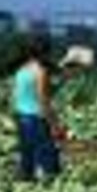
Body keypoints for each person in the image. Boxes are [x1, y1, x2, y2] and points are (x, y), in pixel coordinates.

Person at [12, 35, 65, 181]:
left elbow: (19, 96)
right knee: (49, 160)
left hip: (21, 117)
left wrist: (61, 81)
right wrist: (55, 125)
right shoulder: (41, 71)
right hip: (36, 118)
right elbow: (43, 100)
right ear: (44, 52)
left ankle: (23, 189)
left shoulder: (21, 70)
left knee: (27, 157)